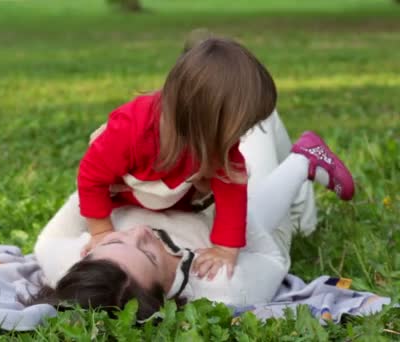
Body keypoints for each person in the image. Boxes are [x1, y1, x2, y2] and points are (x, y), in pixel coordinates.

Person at [33, 124, 355, 320]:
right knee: (255, 123)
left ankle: (307, 176)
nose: (140, 232)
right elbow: (271, 258)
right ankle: (303, 161)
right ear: (165, 295)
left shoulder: (70, 263)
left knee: (234, 111)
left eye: (117, 240)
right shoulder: (221, 287)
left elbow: (57, 228)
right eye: (148, 253)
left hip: (183, 198)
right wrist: (224, 201)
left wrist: (117, 187)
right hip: (254, 232)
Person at [77, 37, 280, 278]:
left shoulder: (216, 143)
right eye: (237, 129)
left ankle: (304, 165)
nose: (240, 137)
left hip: (177, 202)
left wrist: (225, 249)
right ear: (200, 122)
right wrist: (101, 232)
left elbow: (232, 190)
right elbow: (91, 177)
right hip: (126, 197)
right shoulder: (129, 130)